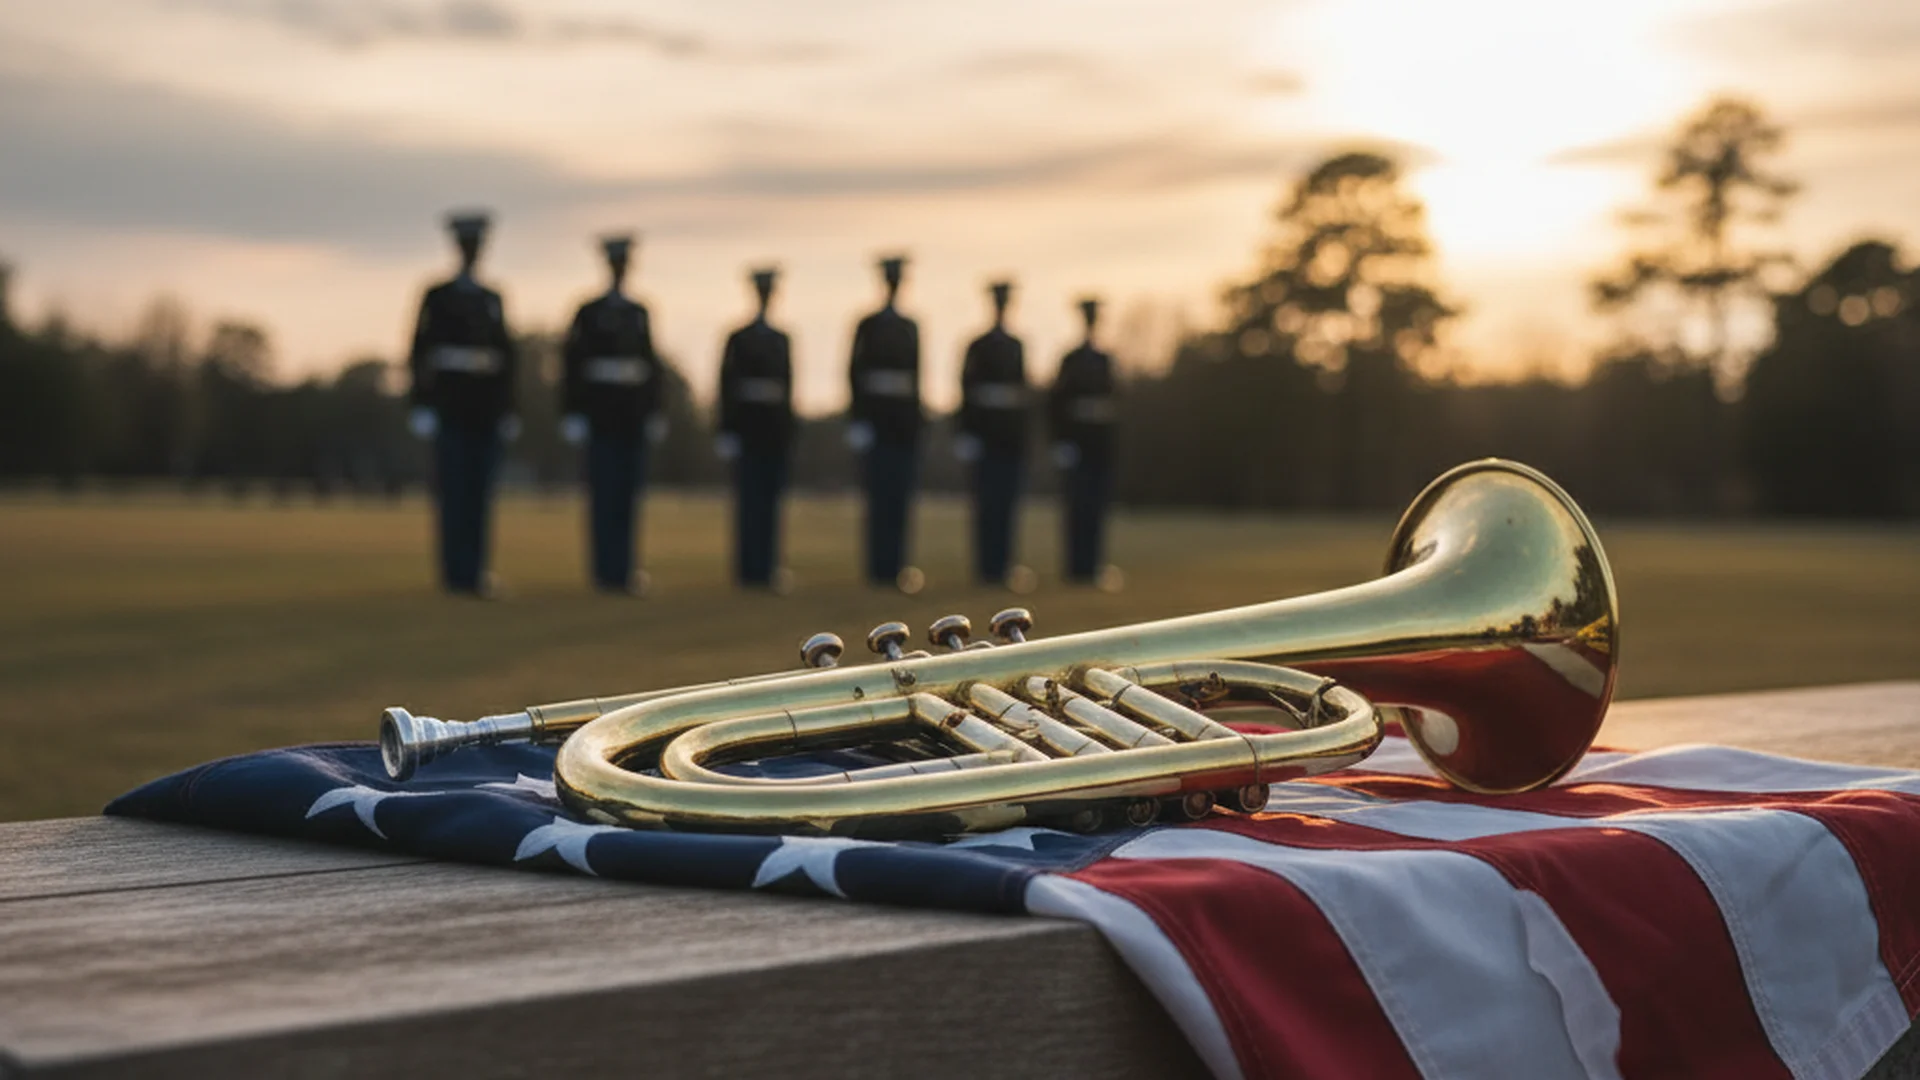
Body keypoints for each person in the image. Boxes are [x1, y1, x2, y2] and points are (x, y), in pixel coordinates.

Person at [406, 211, 517, 598]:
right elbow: (419, 352)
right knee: (453, 491)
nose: (472, 252)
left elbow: (506, 358)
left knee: (479, 493)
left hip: (484, 408)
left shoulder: (492, 299)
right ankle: (454, 572)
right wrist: (421, 403)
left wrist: (506, 408)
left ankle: (476, 570)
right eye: (468, 245)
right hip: (450, 406)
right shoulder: (438, 297)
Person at [558, 233, 664, 596]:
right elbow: (572, 364)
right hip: (600, 414)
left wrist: (653, 410)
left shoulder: (639, 313)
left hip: (631, 415)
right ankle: (604, 571)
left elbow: (651, 365)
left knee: (627, 496)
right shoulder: (589, 312)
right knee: (603, 495)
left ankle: (625, 569)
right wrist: (573, 410)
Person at [846, 255, 924, 593]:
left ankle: (896, 565)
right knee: (878, 496)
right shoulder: (868, 325)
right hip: (876, 420)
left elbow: (916, 376)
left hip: (902, 424)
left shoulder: (910, 326)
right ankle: (878, 567)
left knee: (899, 497)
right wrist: (859, 418)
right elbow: (855, 371)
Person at [716, 267, 795, 591]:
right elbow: (726, 383)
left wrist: (789, 430)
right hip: (748, 427)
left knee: (770, 501)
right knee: (748, 500)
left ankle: (767, 567)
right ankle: (748, 569)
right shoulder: (739, 338)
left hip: (773, 429)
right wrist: (727, 428)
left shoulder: (781, 339)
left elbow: (788, 386)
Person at [955, 280, 1032, 589]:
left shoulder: (1016, 345)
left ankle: (1003, 565)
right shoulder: (979, 345)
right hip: (985, 434)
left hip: (1009, 437)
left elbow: (1022, 393)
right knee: (986, 502)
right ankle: (986, 567)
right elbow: (968, 388)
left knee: (1007, 503)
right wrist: (967, 431)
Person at [1047, 297, 1121, 590]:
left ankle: (1092, 565)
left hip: (1099, 443)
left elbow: (1114, 403)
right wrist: (1061, 440)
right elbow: (1057, 402)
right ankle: (1076, 566)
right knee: (1077, 505)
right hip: (1077, 440)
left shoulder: (1105, 359)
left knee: (1096, 506)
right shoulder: (1072, 360)